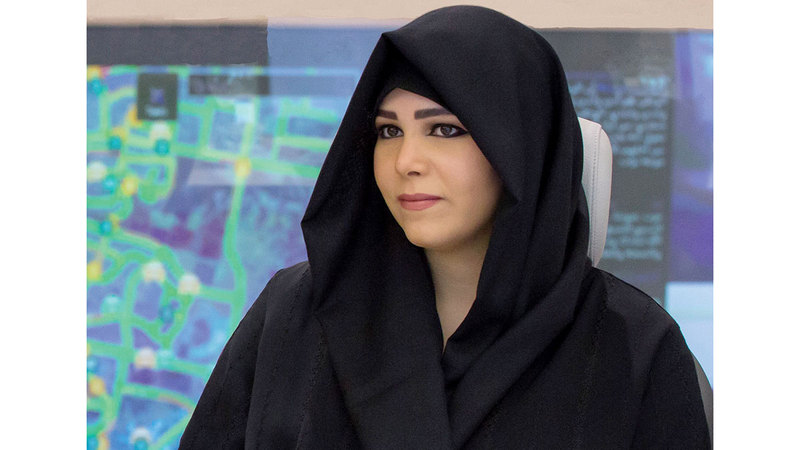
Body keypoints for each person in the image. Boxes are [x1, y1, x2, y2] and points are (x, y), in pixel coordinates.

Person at [179, 5, 710, 448]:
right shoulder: (293, 310)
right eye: (388, 131)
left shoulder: (634, 345)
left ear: (519, 148)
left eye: (445, 130)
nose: (407, 161)